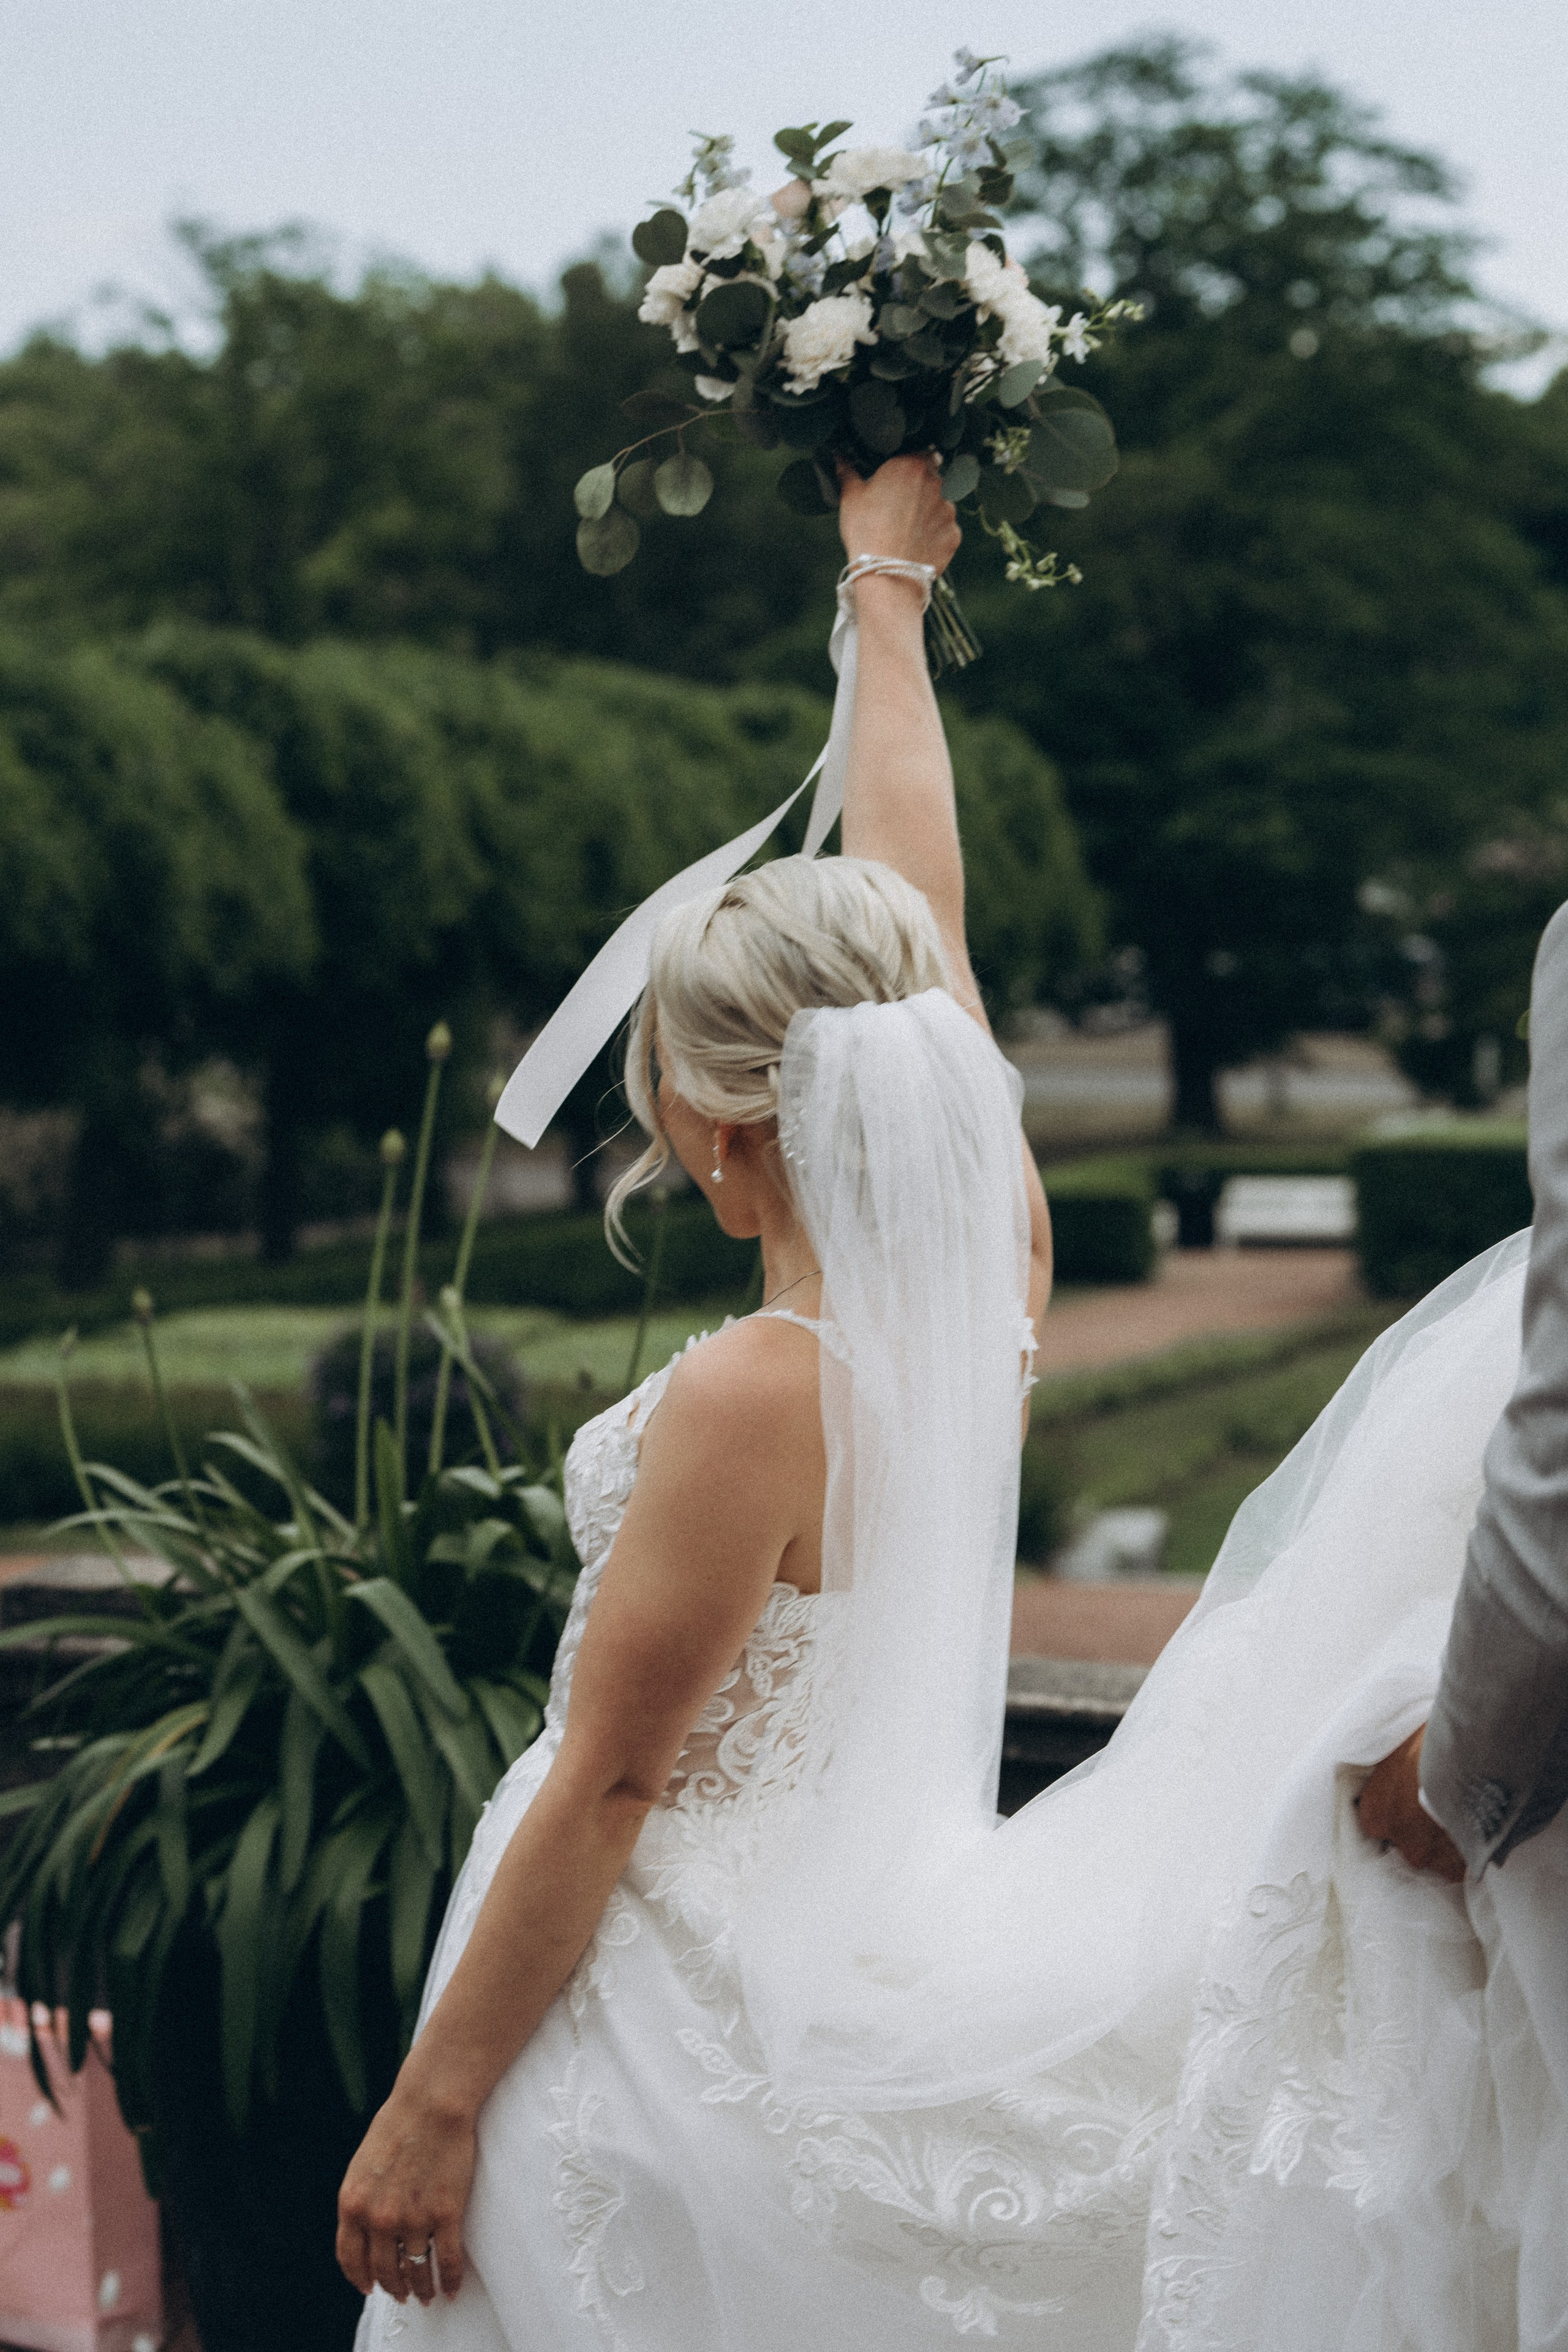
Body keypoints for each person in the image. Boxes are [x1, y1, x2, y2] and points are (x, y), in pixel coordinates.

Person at [340, 458, 1557, 2352]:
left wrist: (433, 2103)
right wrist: (881, 597)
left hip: (672, 2004)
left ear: (710, 1124)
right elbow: (924, 900)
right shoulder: (990, 1277)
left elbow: (616, 1777)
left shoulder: (758, 1388)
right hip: (870, 1909)